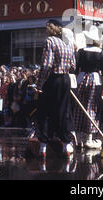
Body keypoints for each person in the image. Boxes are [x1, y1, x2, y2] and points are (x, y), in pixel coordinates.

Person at [34, 20, 76, 158]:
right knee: (63, 111)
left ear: (51, 28)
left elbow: (46, 65)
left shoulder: (50, 41)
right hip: (65, 79)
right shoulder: (68, 43)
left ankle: (43, 146)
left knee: (44, 111)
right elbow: (73, 66)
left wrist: (39, 85)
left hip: (53, 79)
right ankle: (66, 144)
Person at [73, 25, 103, 150]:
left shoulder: (81, 52)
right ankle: (88, 138)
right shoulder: (102, 53)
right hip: (95, 79)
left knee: (79, 107)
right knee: (91, 107)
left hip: (81, 79)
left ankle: (78, 137)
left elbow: (76, 70)